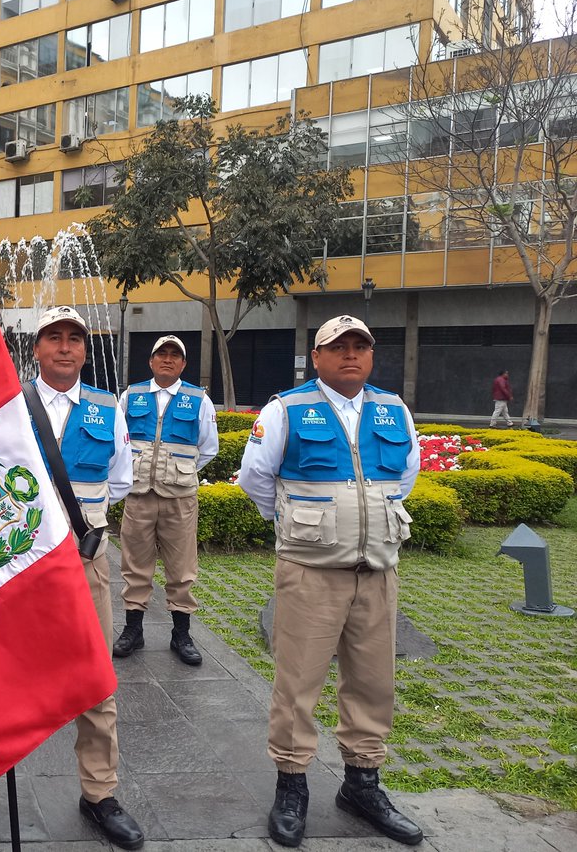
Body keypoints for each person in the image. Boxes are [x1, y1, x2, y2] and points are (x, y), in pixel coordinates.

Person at [0, 306, 144, 851]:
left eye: (75, 338)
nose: (66, 347)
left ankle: (100, 793)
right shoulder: (7, 407)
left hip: (83, 563)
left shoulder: (107, 409)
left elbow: (119, 480)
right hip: (13, 567)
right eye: (54, 337)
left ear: (84, 349)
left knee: (95, 680)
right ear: (36, 348)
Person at [237, 314, 423, 848]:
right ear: (315, 357)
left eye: (359, 346)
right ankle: (292, 786)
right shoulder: (286, 410)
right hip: (311, 573)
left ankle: (362, 785)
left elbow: (404, 477)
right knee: (298, 684)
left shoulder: (393, 409)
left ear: (370, 356)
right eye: (336, 347)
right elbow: (255, 478)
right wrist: (303, 525)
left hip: (377, 572)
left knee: (372, 682)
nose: (350, 355)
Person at [113, 335, 219, 665]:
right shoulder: (131, 396)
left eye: (175, 355)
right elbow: (119, 442)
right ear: (151, 361)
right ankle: (133, 630)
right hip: (139, 496)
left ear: (184, 364)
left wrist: (179, 471)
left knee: (182, 569)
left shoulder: (199, 400)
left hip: (180, 499)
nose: (168, 359)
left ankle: (181, 634)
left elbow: (208, 448)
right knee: (134, 566)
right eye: (162, 354)